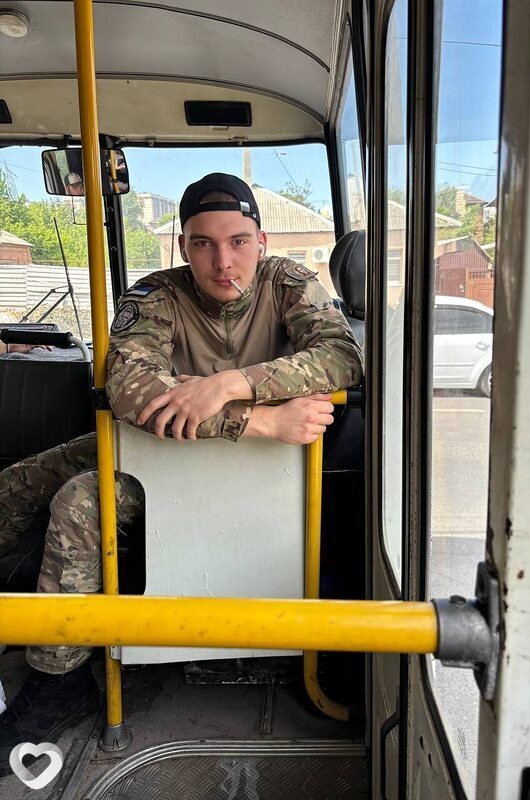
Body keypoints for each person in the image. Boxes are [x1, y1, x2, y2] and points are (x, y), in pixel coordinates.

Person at [0, 173, 363, 773]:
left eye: (238, 241)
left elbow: (342, 357)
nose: (223, 262)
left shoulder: (288, 283)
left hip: (259, 470)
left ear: (261, 240)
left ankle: (58, 678)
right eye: (203, 244)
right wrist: (258, 419)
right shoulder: (157, 295)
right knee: (16, 484)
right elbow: (129, 388)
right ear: (183, 246)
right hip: (173, 446)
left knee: (80, 502)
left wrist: (226, 385)